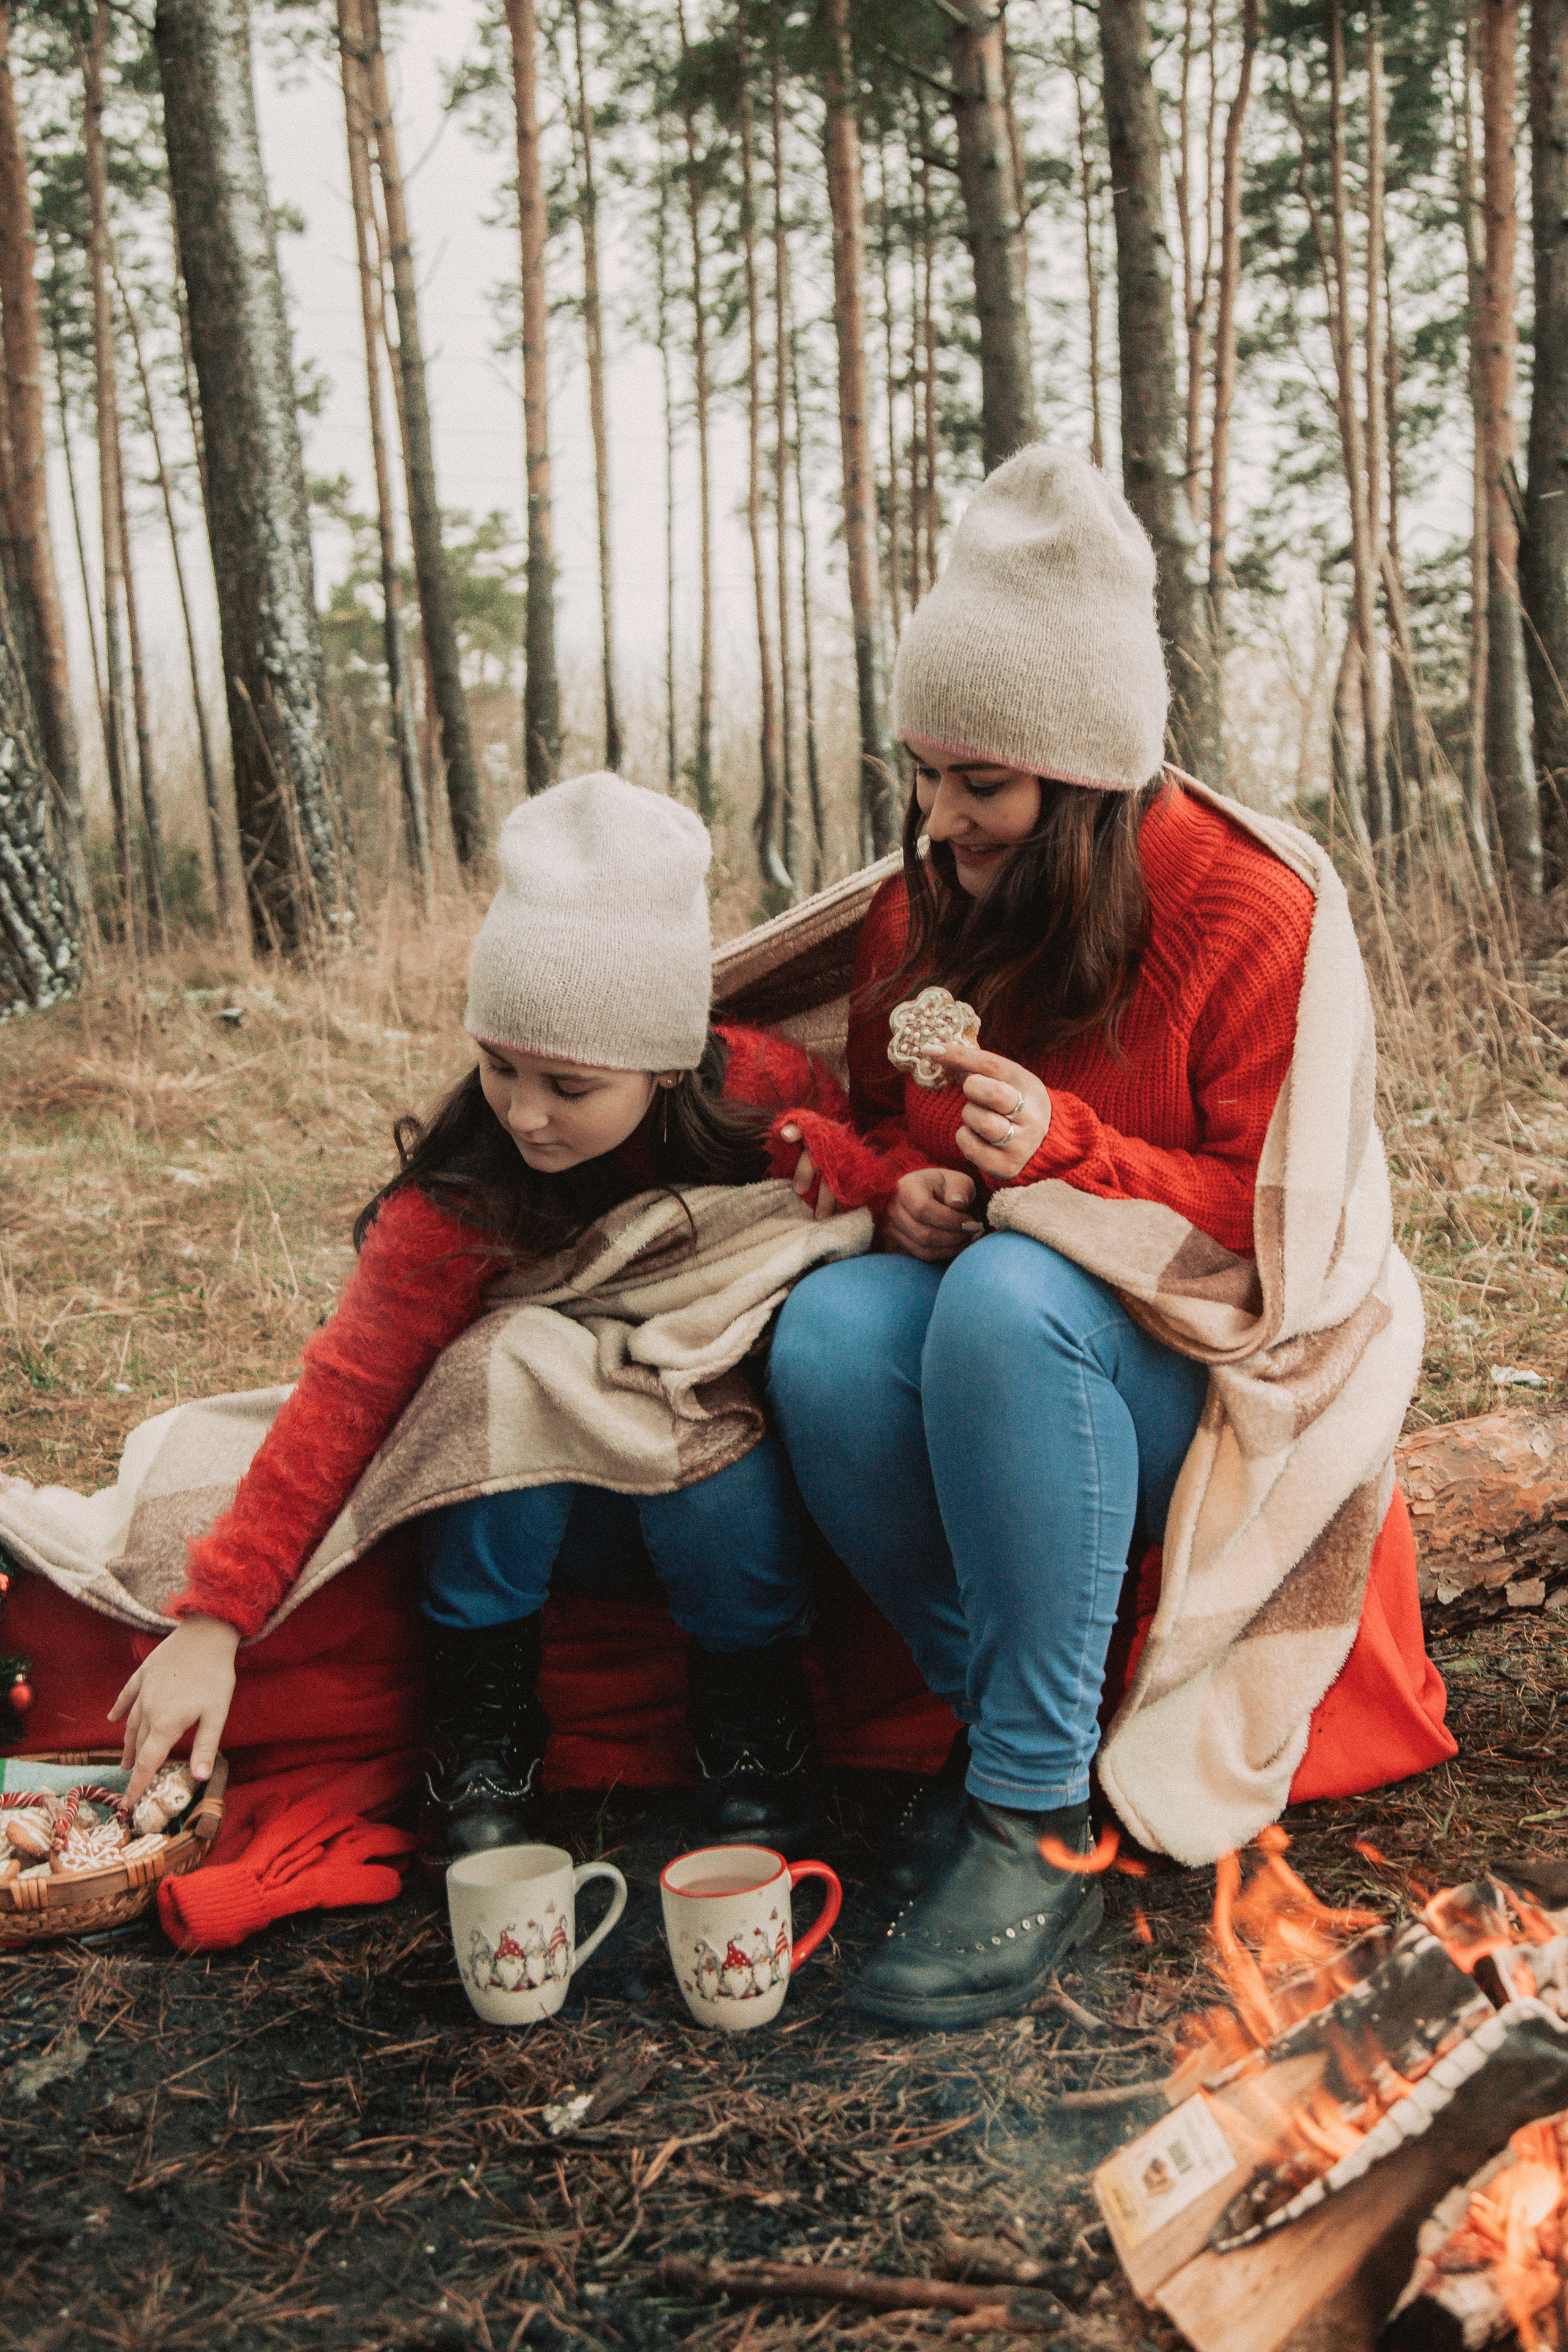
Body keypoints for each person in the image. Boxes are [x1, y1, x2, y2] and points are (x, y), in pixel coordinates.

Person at [764, 445, 1423, 2030]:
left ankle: (1037, 1812)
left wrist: (1068, 1154)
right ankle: (1006, 1722)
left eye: (977, 786)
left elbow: (1285, 1223)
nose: (939, 821)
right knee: (832, 1335)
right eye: (922, 774)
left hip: (1199, 1361)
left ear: (1089, 781)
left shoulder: (1250, 910)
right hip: (1011, 1341)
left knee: (1008, 1290)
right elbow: (884, 1117)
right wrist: (898, 1182)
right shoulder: (923, 911)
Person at [110, 772, 868, 1864]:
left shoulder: (762, 1088)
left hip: (710, 1484)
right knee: (494, 1368)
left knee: (711, 1436)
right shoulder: (461, 1195)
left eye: (569, 1086)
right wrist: (212, 1621)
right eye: (499, 1066)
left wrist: (852, 1170)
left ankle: (750, 1723)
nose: (524, 1113)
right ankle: (483, 1728)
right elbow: (346, 1396)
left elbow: (856, 1174)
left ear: (665, 1066)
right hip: (521, 1508)